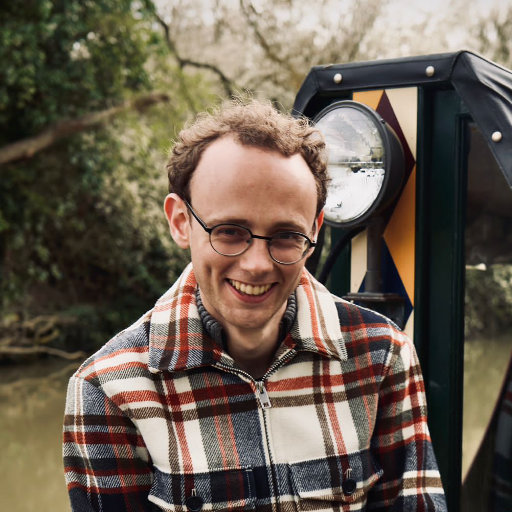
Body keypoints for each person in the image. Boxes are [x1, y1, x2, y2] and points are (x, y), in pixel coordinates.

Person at [63, 99, 447, 511]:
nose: (257, 264)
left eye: (285, 235)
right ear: (180, 221)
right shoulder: (108, 389)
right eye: (229, 231)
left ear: (315, 230)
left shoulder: (382, 354)